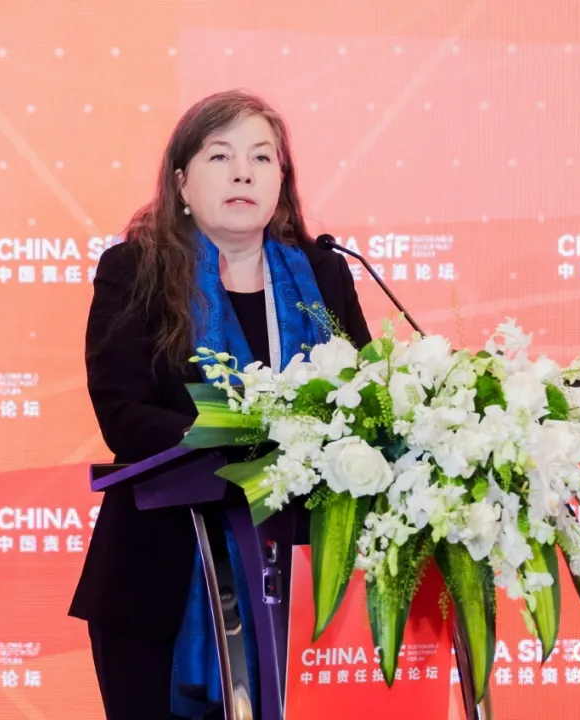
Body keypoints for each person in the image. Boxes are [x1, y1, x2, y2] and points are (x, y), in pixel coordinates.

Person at [68, 89, 372, 719]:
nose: (242, 173)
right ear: (181, 182)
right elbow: (124, 415)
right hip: (161, 579)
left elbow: (367, 405)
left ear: (281, 180)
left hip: (309, 580)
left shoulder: (324, 274)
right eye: (220, 156)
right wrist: (256, 437)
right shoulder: (135, 270)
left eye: (261, 157)